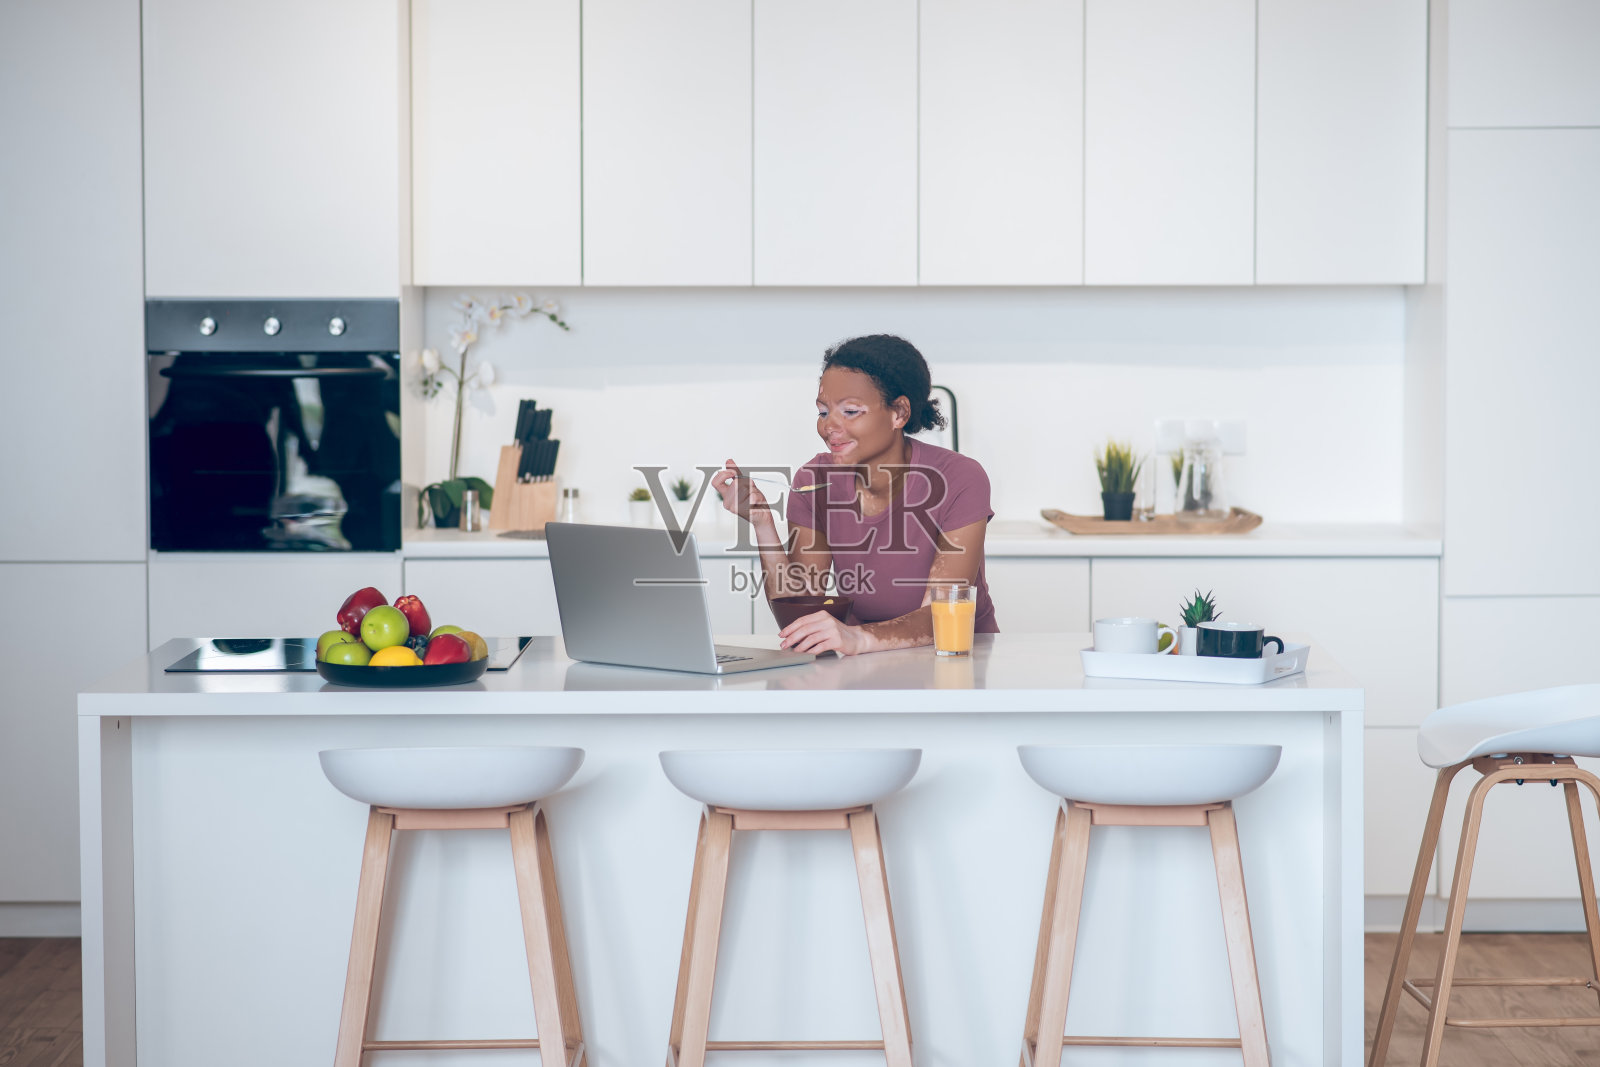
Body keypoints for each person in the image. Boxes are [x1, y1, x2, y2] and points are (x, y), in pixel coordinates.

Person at [713, 334, 998, 655]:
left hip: (955, 656)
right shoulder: (814, 481)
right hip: (864, 658)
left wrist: (857, 637)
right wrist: (762, 523)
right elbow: (802, 610)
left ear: (899, 413)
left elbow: (942, 614)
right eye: (823, 412)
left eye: (850, 411)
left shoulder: (958, 478)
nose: (828, 426)